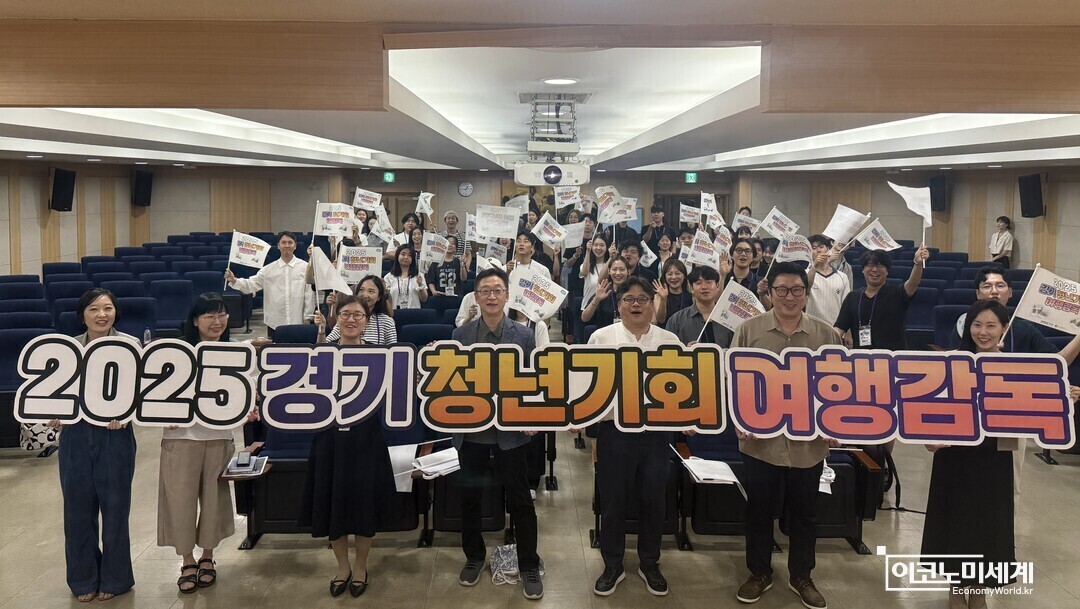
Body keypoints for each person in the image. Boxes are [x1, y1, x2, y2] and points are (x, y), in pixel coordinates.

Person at [731, 262, 840, 609]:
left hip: (808, 446)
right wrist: (738, 419)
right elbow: (733, 382)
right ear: (771, 291)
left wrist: (836, 426)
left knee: (805, 515)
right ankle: (759, 572)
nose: (789, 297)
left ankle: (802, 576)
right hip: (760, 444)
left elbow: (839, 387)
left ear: (806, 294)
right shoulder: (749, 330)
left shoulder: (826, 334)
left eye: (796, 290)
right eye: (782, 290)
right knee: (758, 512)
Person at [948, 266, 1080, 509]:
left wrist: (1060, 392)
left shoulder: (1024, 329)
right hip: (969, 422)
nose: (994, 291)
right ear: (977, 293)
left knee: (1007, 490)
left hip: (1010, 426)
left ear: (1010, 291)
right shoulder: (965, 324)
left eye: (1000, 286)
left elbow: (1054, 365)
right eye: (987, 286)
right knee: (964, 487)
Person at [587, 276, 682, 597]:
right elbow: (587, 387)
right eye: (629, 299)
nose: (637, 304)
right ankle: (612, 564)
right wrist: (588, 430)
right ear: (619, 305)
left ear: (653, 304)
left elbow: (684, 390)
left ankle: (649, 562)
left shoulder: (669, 340)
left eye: (643, 299)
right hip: (614, 432)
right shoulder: (601, 338)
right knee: (613, 501)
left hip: (656, 434)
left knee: (654, 500)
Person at [452, 267, 544, 600]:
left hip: (511, 434)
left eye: (497, 290)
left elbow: (535, 382)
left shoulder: (524, 335)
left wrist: (532, 418)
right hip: (472, 434)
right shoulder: (461, 335)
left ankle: (528, 563)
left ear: (507, 296)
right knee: (470, 499)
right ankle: (474, 556)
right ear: (476, 298)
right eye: (485, 291)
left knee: (520, 501)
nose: (491, 296)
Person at [159, 293, 259, 594]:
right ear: (195, 320)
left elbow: (250, 390)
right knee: (180, 502)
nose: (217, 321)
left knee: (214, 501)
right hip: (180, 439)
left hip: (219, 437)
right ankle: (187, 560)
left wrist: (250, 407)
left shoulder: (238, 351)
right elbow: (156, 392)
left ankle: (207, 556)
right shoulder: (177, 353)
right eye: (209, 316)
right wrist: (163, 412)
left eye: (222, 315)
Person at [922, 299, 1016, 609]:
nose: (983, 332)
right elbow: (929, 409)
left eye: (991, 325)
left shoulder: (1014, 367)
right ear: (967, 327)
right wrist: (928, 439)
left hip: (994, 456)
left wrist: (1062, 393)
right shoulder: (951, 363)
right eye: (977, 325)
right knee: (956, 520)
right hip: (955, 456)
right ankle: (956, 586)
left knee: (989, 522)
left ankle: (978, 589)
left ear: (1004, 329)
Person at [301, 295, 396, 598]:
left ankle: (361, 566)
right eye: (345, 314)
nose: (351, 319)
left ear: (367, 321)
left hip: (367, 440)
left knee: (364, 504)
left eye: (358, 315)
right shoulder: (322, 355)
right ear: (336, 319)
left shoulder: (381, 356)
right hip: (329, 439)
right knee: (333, 503)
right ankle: (342, 567)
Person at [53, 288, 137, 602]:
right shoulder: (68, 349)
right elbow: (56, 393)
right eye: (94, 309)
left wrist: (126, 415)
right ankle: (82, 579)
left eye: (107, 308)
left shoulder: (131, 345)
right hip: (75, 435)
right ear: (82, 315)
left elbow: (140, 393)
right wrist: (55, 413)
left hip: (115, 436)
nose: (102, 315)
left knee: (115, 510)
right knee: (76, 511)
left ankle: (116, 579)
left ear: (116, 312)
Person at [834, 246, 929, 350]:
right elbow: (839, 329)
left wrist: (917, 264)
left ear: (887, 271)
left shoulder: (896, 294)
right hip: (861, 357)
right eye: (870, 265)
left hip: (891, 357)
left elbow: (913, 284)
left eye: (880, 266)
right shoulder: (852, 297)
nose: (875, 269)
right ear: (863, 270)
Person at [225, 231, 315, 339]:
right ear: (278, 246)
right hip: (274, 322)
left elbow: (309, 294)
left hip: (298, 321)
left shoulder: (305, 268)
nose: (287, 245)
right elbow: (251, 284)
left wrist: (308, 316)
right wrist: (234, 280)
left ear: (295, 246)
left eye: (290, 242)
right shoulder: (268, 270)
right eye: (283, 242)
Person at [665, 265, 732, 347]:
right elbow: (668, 350)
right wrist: (685, 351)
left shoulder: (730, 319)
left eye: (709, 282)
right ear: (691, 288)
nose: (704, 287)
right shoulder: (676, 320)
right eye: (698, 283)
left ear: (717, 286)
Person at [320, 275, 398, 345]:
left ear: (379, 297)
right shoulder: (347, 319)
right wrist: (321, 332)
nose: (365, 295)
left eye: (371, 291)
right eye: (361, 290)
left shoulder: (387, 322)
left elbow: (393, 352)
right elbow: (325, 346)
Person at [806, 234, 851, 325]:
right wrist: (815, 265)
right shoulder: (804, 274)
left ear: (828, 249)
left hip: (835, 327)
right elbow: (805, 287)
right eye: (814, 248)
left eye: (821, 247)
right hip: (812, 327)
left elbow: (847, 306)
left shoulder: (842, 277)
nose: (818, 250)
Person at [581, 256, 630, 330]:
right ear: (609, 271)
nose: (618, 273)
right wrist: (596, 299)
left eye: (622, 270)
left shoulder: (633, 292)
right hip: (605, 334)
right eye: (614, 269)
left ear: (628, 272)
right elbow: (585, 318)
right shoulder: (604, 291)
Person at [383, 244, 429, 309]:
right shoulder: (389, 277)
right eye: (403, 254)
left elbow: (424, 299)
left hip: (414, 312)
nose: (406, 257)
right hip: (395, 312)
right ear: (397, 256)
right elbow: (385, 300)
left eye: (409, 255)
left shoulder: (418, 275)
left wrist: (420, 285)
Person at [652, 258, 691, 326]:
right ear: (665, 276)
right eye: (670, 274)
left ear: (684, 276)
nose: (674, 277)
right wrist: (663, 299)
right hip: (664, 331)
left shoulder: (690, 296)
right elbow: (660, 320)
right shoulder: (658, 296)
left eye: (677, 273)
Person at [579, 234, 610, 316]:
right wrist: (587, 251)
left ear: (607, 247)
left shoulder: (611, 265)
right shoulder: (586, 264)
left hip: (606, 308)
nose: (598, 248)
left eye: (602, 245)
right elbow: (584, 272)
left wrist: (612, 257)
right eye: (595, 245)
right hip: (588, 307)